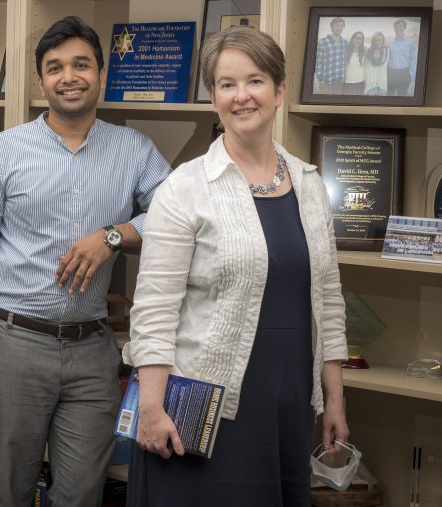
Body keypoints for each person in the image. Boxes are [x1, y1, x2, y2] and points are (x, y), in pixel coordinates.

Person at [0, 15, 171, 507]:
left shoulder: (134, 150)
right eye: (55, 67)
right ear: (41, 80)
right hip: (11, 346)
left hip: (92, 351)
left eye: (81, 64)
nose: (69, 76)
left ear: (101, 75)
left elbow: (176, 215)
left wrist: (113, 235)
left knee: (82, 495)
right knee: (5, 493)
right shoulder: (0, 152)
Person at [124, 27, 349, 506]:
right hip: (203, 409)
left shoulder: (310, 185)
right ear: (213, 98)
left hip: (288, 406)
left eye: (255, 81)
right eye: (227, 84)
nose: (242, 96)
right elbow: (155, 309)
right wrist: (149, 406)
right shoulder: (185, 187)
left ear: (280, 90)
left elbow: (328, 300)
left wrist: (334, 399)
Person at [314, 17, 348, 95]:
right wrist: (320, 80)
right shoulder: (323, 42)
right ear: (332, 26)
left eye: (341, 25)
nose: (339, 27)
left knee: (338, 104)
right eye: (336, 25)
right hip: (326, 81)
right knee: (324, 104)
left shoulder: (344, 43)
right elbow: (318, 62)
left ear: (343, 27)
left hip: (340, 81)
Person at [386, 19, 417, 96]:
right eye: (396, 26)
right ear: (394, 28)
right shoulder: (389, 43)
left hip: (404, 73)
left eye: (401, 26)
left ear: (404, 28)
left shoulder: (411, 42)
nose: (398, 28)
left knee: (402, 96)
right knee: (389, 95)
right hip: (391, 73)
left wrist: (410, 75)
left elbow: (414, 60)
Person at [364, 31, 390, 95]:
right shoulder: (368, 52)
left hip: (382, 83)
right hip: (371, 84)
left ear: (383, 40)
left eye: (379, 39)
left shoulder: (387, 51)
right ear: (373, 41)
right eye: (375, 40)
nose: (377, 42)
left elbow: (386, 66)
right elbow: (365, 67)